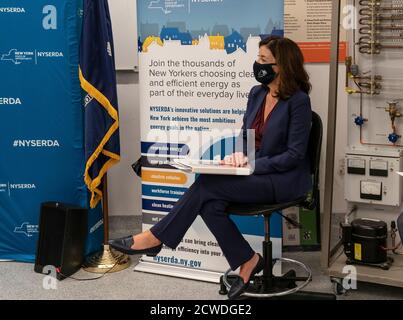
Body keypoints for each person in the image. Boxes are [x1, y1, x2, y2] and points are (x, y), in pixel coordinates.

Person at [109, 36, 313, 300]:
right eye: (258, 58)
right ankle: (248, 260)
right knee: (209, 203)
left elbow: (294, 156)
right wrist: (239, 156)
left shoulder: (298, 101)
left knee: (206, 186)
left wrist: (252, 164)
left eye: (264, 60)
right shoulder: (257, 93)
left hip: (282, 179)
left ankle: (155, 238)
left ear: (282, 65)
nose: (257, 64)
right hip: (254, 170)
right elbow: (246, 134)